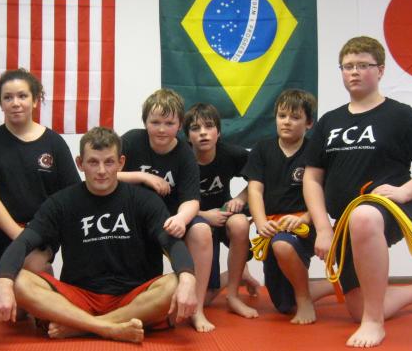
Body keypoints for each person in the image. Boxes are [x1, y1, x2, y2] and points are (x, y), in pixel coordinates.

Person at [303, 36, 412, 348]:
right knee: (356, 308)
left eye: (363, 65)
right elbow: (312, 178)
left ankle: (374, 323)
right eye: (347, 66)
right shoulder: (329, 121)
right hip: (345, 222)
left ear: (381, 70)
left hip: (389, 208)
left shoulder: (401, 115)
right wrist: (323, 229)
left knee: (364, 216)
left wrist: (406, 191)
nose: (354, 72)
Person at [0, 127, 197, 343]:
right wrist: (3, 281)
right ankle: (108, 327)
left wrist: (188, 277)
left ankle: (81, 327)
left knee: (175, 283)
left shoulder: (145, 200)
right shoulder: (60, 203)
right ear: (80, 163)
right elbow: (23, 242)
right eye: (93, 162)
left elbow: (171, 243)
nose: (101, 171)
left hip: (133, 297)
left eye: (109, 162)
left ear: (121, 163)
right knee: (19, 280)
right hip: (79, 297)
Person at [118, 89, 215, 332]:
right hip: (135, 220)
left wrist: (181, 218)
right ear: (145, 122)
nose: (161, 129)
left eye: (169, 123)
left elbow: (192, 200)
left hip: (170, 220)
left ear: (180, 125)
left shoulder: (184, 153)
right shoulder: (131, 141)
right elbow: (106, 173)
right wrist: (143, 176)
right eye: (155, 122)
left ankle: (197, 309)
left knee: (201, 230)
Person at [0, 69, 80, 281]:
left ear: (35, 100)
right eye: (8, 97)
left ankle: (45, 279)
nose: (15, 103)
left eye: (22, 96)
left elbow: (71, 194)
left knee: (34, 278)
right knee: (15, 298)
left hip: (42, 234)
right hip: (4, 232)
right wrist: (20, 238)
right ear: (0, 103)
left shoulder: (54, 142)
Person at [245, 89, 333, 324]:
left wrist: (304, 219)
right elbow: (255, 190)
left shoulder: (315, 151)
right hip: (272, 226)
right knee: (283, 304)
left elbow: (323, 193)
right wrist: (261, 223)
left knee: (283, 244)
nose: (286, 122)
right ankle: (338, 284)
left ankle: (305, 301)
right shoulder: (262, 149)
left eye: (295, 117)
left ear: (309, 123)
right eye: (282, 116)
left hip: (304, 225)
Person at [183, 103, 258, 319]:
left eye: (209, 126)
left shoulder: (232, 154)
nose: (203, 133)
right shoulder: (181, 157)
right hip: (195, 220)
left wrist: (239, 199)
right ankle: (235, 275)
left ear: (219, 132)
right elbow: (172, 201)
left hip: (223, 213)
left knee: (240, 223)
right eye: (195, 128)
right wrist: (204, 215)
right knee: (204, 299)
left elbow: (258, 177)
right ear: (187, 136)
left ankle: (233, 296)